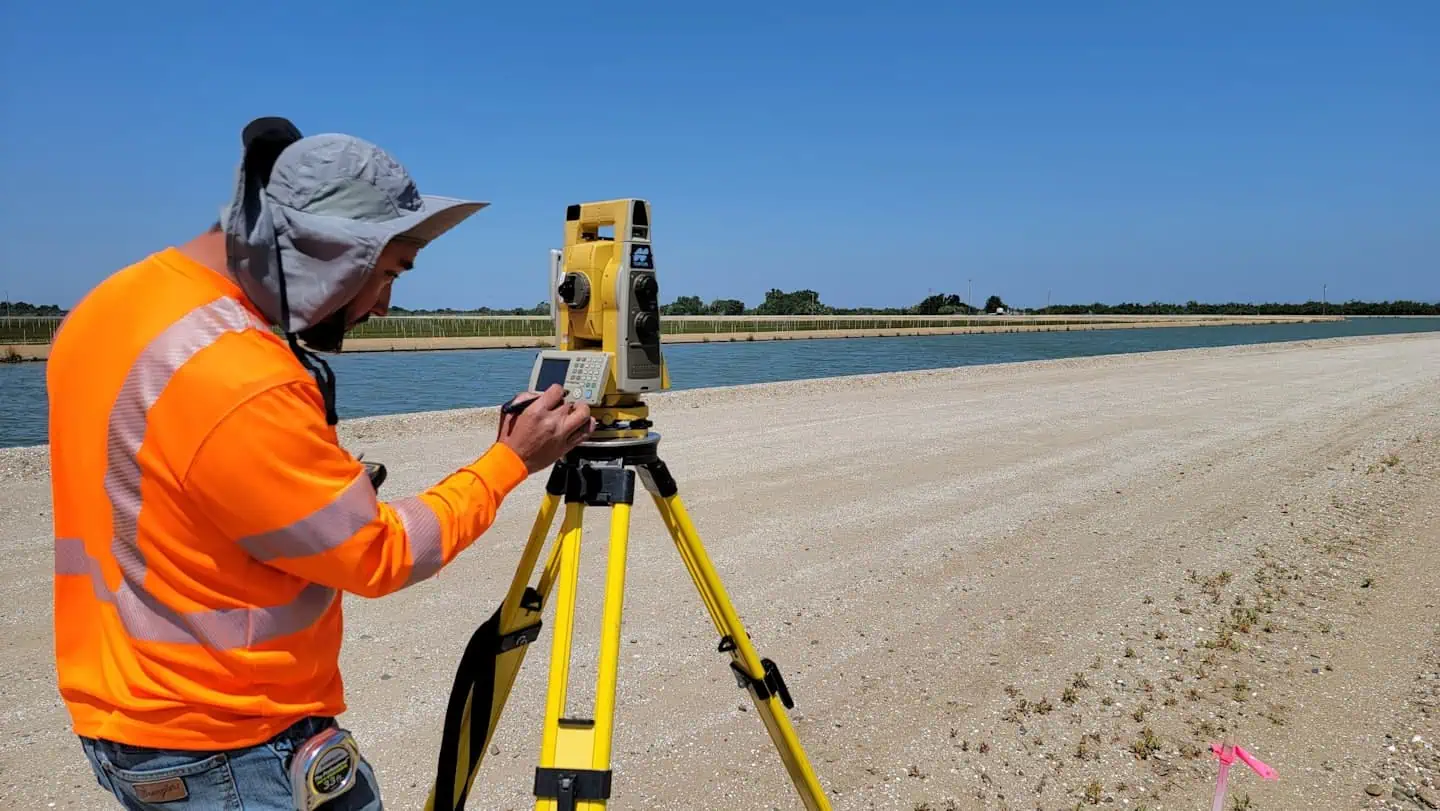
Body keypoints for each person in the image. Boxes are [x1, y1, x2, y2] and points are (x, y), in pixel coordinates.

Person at [46, 117, 593, 810]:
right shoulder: (244, 375)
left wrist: (293, 494)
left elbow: (159, 487)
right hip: (234, 744)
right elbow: (378, 555)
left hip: (128, 720)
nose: (386, 305)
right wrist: (510, 459)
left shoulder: (111, 306)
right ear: (329, 251)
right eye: (388, 271)